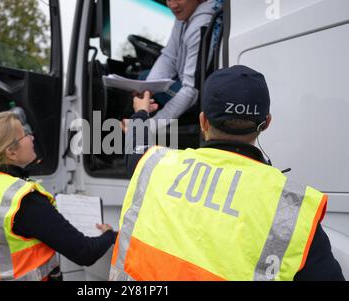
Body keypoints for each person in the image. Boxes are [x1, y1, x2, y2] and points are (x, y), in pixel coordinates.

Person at [110, 65, 345, 281]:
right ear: (266, 123)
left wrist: (140, 113)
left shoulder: (158, 166)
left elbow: (136, 152)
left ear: (203, 121)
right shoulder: (291, 210)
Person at [0, 111, 116, 281]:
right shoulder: (24, 201)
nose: (32, 137)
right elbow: (86, 252)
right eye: (25, 134)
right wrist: (109, 235)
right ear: (11, 153)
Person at [122, 0, 217, 132]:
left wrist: (152, 125)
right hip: (186, 85)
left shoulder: (201, 25)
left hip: (200, 99)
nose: (172, 5)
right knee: (144, 82)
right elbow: (169, 56)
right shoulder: (184, 17)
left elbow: (191, 90)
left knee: (142, 80)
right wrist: (148, 88)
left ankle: (131, 133)